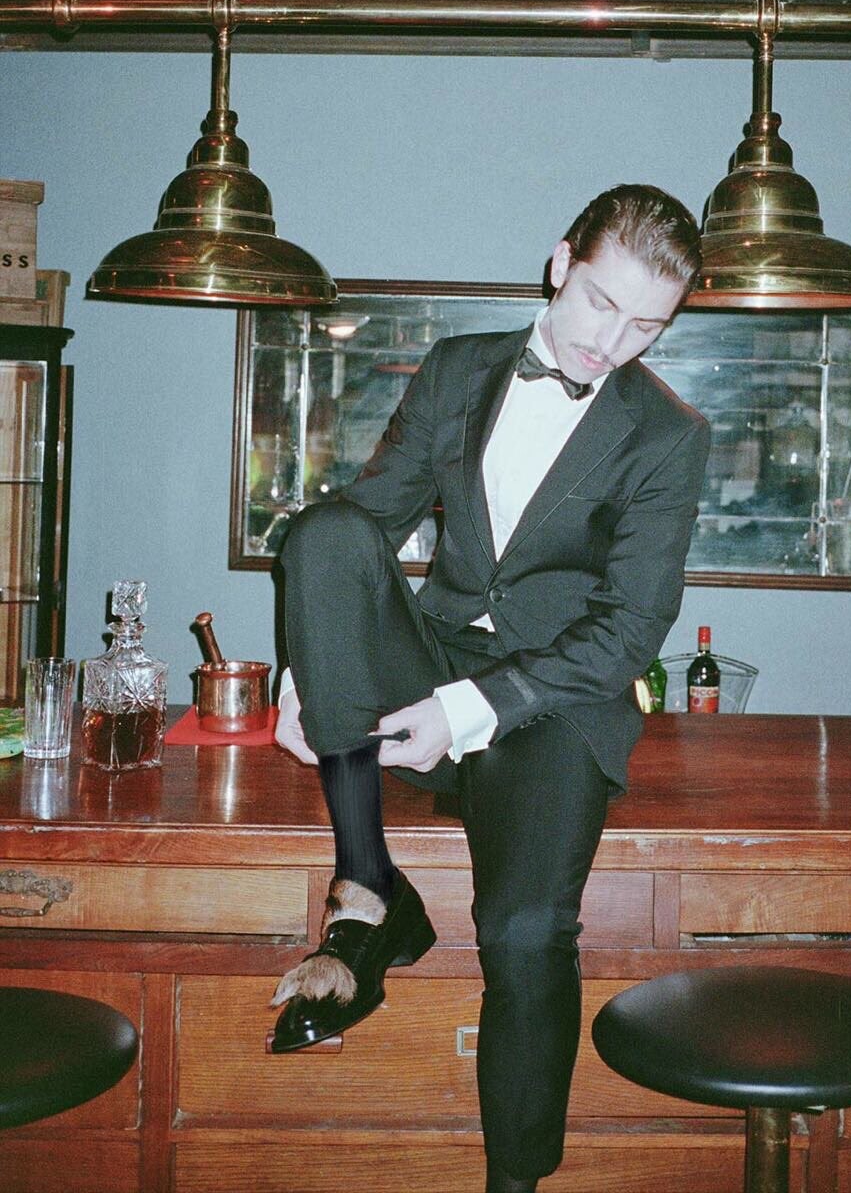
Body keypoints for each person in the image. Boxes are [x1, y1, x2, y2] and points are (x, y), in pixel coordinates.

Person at [271, 184, 711, 1193]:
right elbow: (366, 522)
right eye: (600, 303)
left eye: (646, 327)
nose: (609, 344)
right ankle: (367, 889)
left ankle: (515, 1180)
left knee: (522, 933)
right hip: (427, 662)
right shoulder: (458, 368)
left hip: (551, 707)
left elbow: (627, 631)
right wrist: (308, 665)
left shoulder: (666, 435)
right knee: (322, 531)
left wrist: (465, 713)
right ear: (560, 263)